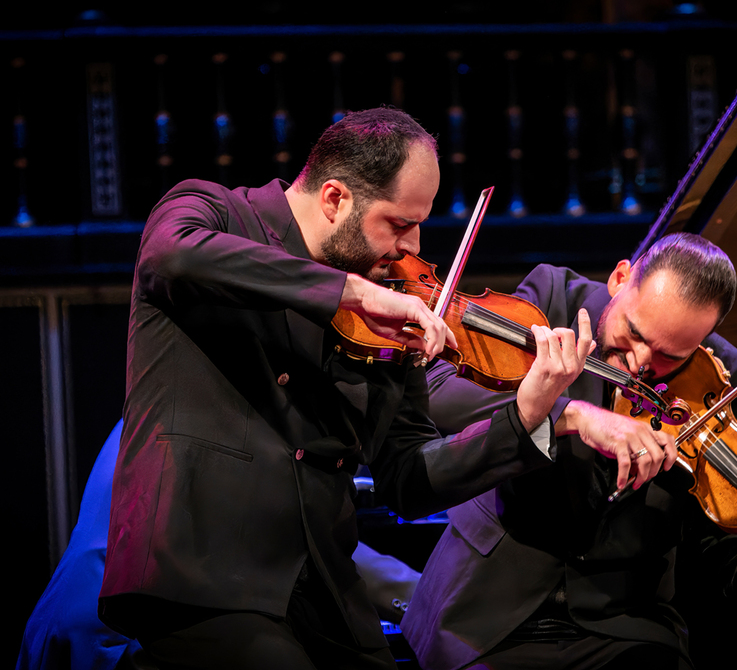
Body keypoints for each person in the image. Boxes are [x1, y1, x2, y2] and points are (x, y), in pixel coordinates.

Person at [97, 107, 662, 670]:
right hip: (201, 572)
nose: (411, 248)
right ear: (336, 199)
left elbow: (409, 480)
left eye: (419, 225)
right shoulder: (213, 211)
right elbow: (170, 257)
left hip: (319, 590)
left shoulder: (391, 314)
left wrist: (529, 416)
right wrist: (351, 292)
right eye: (397, 224)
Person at [401, 233, 737, 670]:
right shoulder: (552, 300)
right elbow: (440, 392)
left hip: (624, 622)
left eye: (671, 356)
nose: (639, 363)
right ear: (620, 278)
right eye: (633, 332)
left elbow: (718, 540)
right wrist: (567, 411)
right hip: (486, 604)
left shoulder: (736, 388)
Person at [18, 421, 419, 670]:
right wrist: (424, 601)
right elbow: (307, 547)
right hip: (116, 638)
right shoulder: (229, 427)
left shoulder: (166, 399)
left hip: (76, 625)